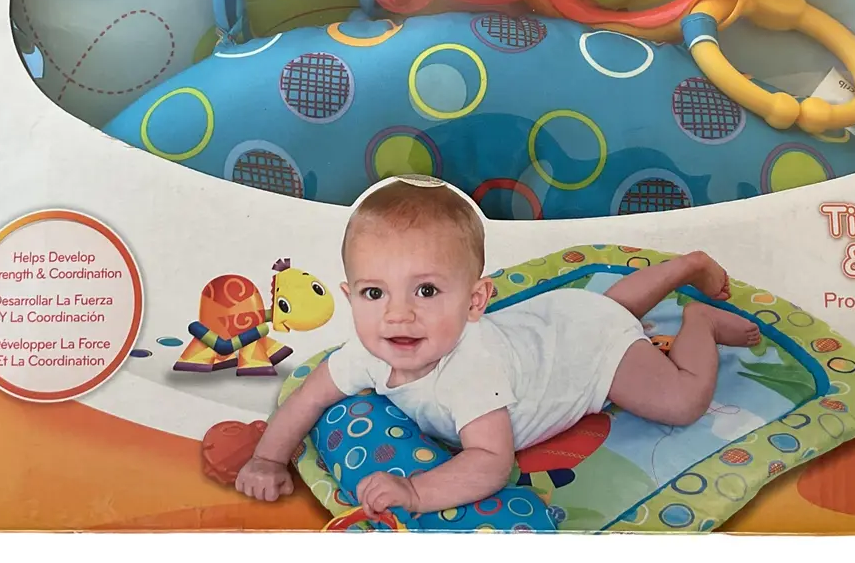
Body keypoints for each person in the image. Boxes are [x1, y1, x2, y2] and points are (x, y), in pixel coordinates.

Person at [234, 176, 760, 518]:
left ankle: (699, 321)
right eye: (375, 293)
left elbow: (490, 461)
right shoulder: (367, 352)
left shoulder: (471, 373)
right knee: (610, 308)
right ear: (350, 296)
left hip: (592, 357)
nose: (398, 314)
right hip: (561, 320)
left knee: (680, 400)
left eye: (426, 291)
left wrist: (416, 492)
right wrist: (266, 459)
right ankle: (684, 267)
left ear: (475, 301)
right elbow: (307, 398)